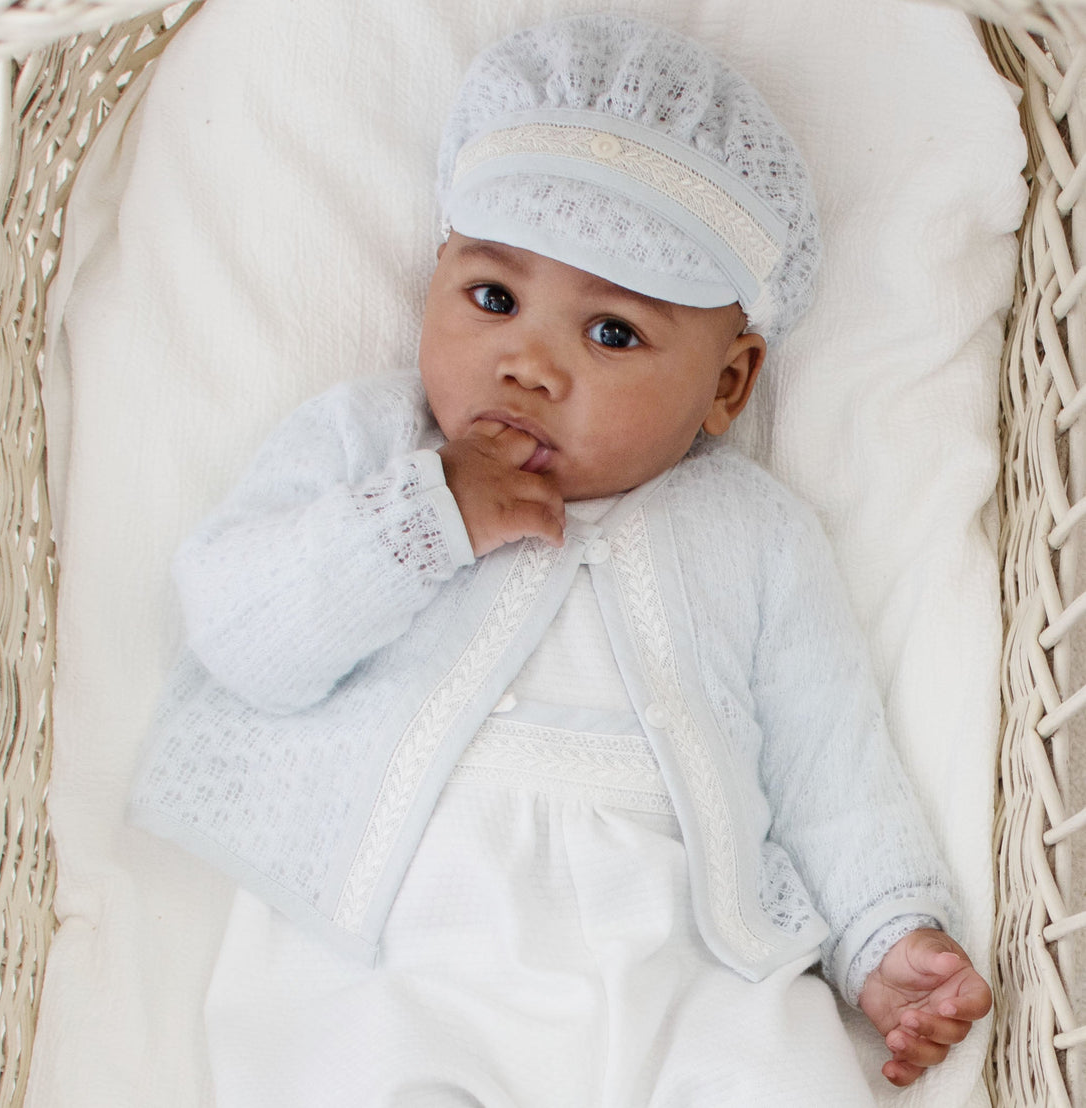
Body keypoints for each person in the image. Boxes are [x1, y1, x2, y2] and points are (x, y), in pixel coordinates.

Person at [130, 14, 991, 1104]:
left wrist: (885, 933)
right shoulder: (371, 448)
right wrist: (420, 515)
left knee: (770, 1065)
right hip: (401, 930)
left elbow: (832, 770)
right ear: (436, 274)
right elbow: (242, 633)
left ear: (729, 385)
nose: (528, 364)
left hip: (684, 946)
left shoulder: (756, 533)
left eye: (614, 332)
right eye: (493, 299)